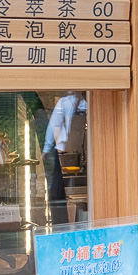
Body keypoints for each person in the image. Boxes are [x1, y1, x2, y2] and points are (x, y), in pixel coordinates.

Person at [43, 91, 88, 221]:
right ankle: (61, 225)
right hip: (58, 152)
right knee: (57, 194)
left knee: (58, 193)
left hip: (70, 150)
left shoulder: (87, 104)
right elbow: (53, 125)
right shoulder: (64, 103)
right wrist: (46, 149)